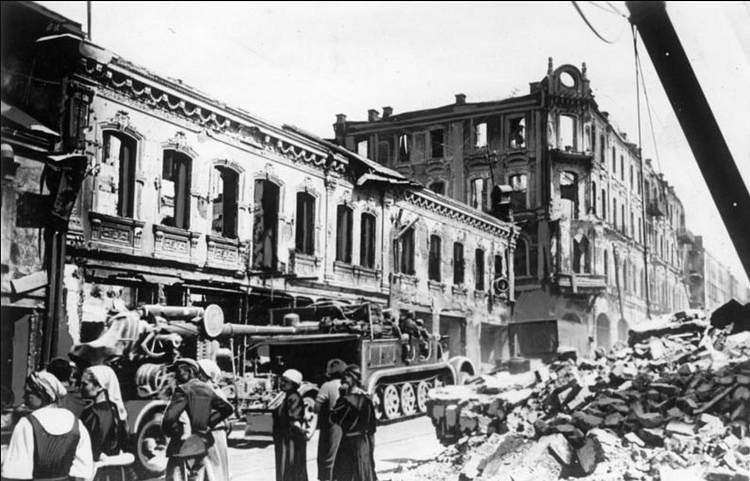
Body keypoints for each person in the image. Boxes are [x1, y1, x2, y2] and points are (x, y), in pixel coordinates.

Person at [1, 370, 95, 481]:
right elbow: (84, 469)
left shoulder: (27, 423)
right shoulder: (76, 422)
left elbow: (15, 472)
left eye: (28, 392)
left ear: (42, 394)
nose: (24, 397)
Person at [162, 358, 234, 481]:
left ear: (190, 371)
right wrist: (209, 422)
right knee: (199, 476)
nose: (176, 376)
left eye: (179, 372)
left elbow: (168, 419)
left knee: (176, 476)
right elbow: (228, 409)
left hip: (182, 445)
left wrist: (174, 432)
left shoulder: (183, 389)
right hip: (202, 445)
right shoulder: (207, 390)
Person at [79, 365, 137, 481]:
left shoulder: (93, 413)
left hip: (96, 473)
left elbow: (92, 448)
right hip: (114, 473)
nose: (80, 388)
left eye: (85, 384)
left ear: (99, 386)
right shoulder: (117, 411)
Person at [330, 364, 377, 481]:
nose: (342, 381)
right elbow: (372, 427)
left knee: (345, 474)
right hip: (364, 442)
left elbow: (333, 418)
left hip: (348, 442)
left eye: (345, 378)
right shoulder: (367, 400)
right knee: (364, 473)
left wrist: (341, 397)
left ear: (352, 379)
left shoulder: (344, 400)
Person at [196, 359, 231, 481]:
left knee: (215, 464)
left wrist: (209, 422)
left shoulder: (212, 390)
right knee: (208, 465)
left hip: (214, 432)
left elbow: (226, 410)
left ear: (207, 374)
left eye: (200, 371)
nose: (196, 373)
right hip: (207, 432)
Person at [272, 369, 308, 481]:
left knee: (289, 468)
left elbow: (294, 420)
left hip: (290, 439)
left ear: (294, 384)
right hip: (284, 438)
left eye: (286, 381)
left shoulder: (294, 398)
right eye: (282, 380)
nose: (282, 383)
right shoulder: (287, 396)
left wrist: (301, 434)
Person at [313, 359, 347, 481]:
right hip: (345, 423)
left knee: (327, 452)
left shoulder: (326, 386)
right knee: (341, 452)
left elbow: (316, 408)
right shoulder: (347, 385)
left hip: (330, 423)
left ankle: (327, 478)